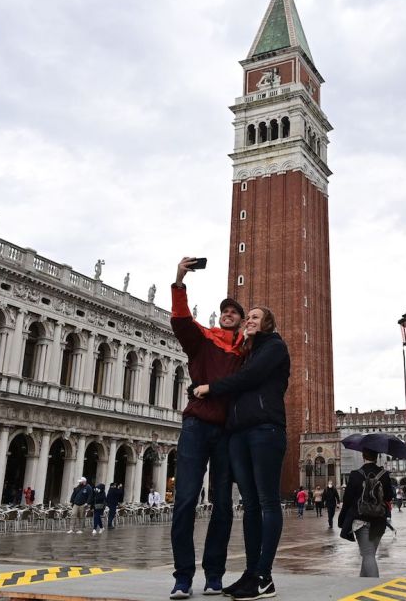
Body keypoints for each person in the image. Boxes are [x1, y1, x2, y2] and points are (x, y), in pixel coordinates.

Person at [192, 306, 289, 601]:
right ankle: (251, 573)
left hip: (264, 429)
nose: (249, 320)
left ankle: (264, 577)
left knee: (267, 502)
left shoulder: (274, 347)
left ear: (268, 324)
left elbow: (249, 379)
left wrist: (210, 387)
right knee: (250, 505)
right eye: (249, 317)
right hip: (239, 433)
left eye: (255, 317)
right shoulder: (246, 352)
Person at [169, 257, 246, 599]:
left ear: (242, 321)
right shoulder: (204, 339)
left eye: (234, 312)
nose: (228, 313)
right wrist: (179, 280)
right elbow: (182, 322)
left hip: (227, 430)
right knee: (185, 500)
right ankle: (183, 576)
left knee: (224, 507)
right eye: (225, 310)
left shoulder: (247, 350)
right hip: (197, 423)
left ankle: (214, 574)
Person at [338, 449, 394, 578]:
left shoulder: (355, 475)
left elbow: (347, 500)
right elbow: (389, 496)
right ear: (377, 456)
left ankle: (375, 588)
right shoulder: (384, 475)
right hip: (379, 520)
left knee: (368, 555)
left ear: (363, 456)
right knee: (369, 555)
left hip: (360, 520)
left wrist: (342, 520)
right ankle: (362, 584)